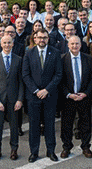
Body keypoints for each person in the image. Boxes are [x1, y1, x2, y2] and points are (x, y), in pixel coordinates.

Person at [22, 28, 63, 162]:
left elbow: (58, 74)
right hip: (33, 97)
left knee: (49, 126)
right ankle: (34, 152)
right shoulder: (29, 53)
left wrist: (47, 90)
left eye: (45, 37)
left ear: (48, 39)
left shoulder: (55, 53)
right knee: (34, 127)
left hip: (50, 96)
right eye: (39, 37)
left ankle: (50, 151)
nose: (42, 40)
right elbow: (25, 75)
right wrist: (36, 91)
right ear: (35, 39)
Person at [0, 35, 25, 161]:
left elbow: (21, 81)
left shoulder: (19, 59)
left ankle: (14, 150)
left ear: (13, 44)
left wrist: (20, 99)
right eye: (4, 43)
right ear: (1, 44)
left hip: (14, 100)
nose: (7, 45)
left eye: (9, 42)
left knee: (14, 127)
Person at [59, 36, 92, 158]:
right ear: (68, 45)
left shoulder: (88, 59)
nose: (75, 46)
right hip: (68, 98)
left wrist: (86, 93)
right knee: (66, 124)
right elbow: (60, 80)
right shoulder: (62, 59)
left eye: (77, 44)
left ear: (81, 45)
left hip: (84, 97)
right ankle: (66, 147)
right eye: (72, 44)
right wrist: (69, 94)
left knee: (85, 123)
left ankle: (86, 147)